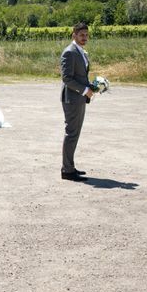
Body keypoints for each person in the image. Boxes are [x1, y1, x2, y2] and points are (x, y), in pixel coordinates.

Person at [60, 22, 93, 182]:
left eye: (86, 35)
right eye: (81, 35)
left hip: (80, 98)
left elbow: (81, 75)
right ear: (74, 35)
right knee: (71, 133)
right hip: (71, 98)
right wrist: (85, 90)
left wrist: (92, 86)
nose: (84, 38)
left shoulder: (81, 52)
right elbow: (66, 78)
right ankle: (67, 170)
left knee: (75, 133)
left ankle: (70, 166)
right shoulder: (70, 52)